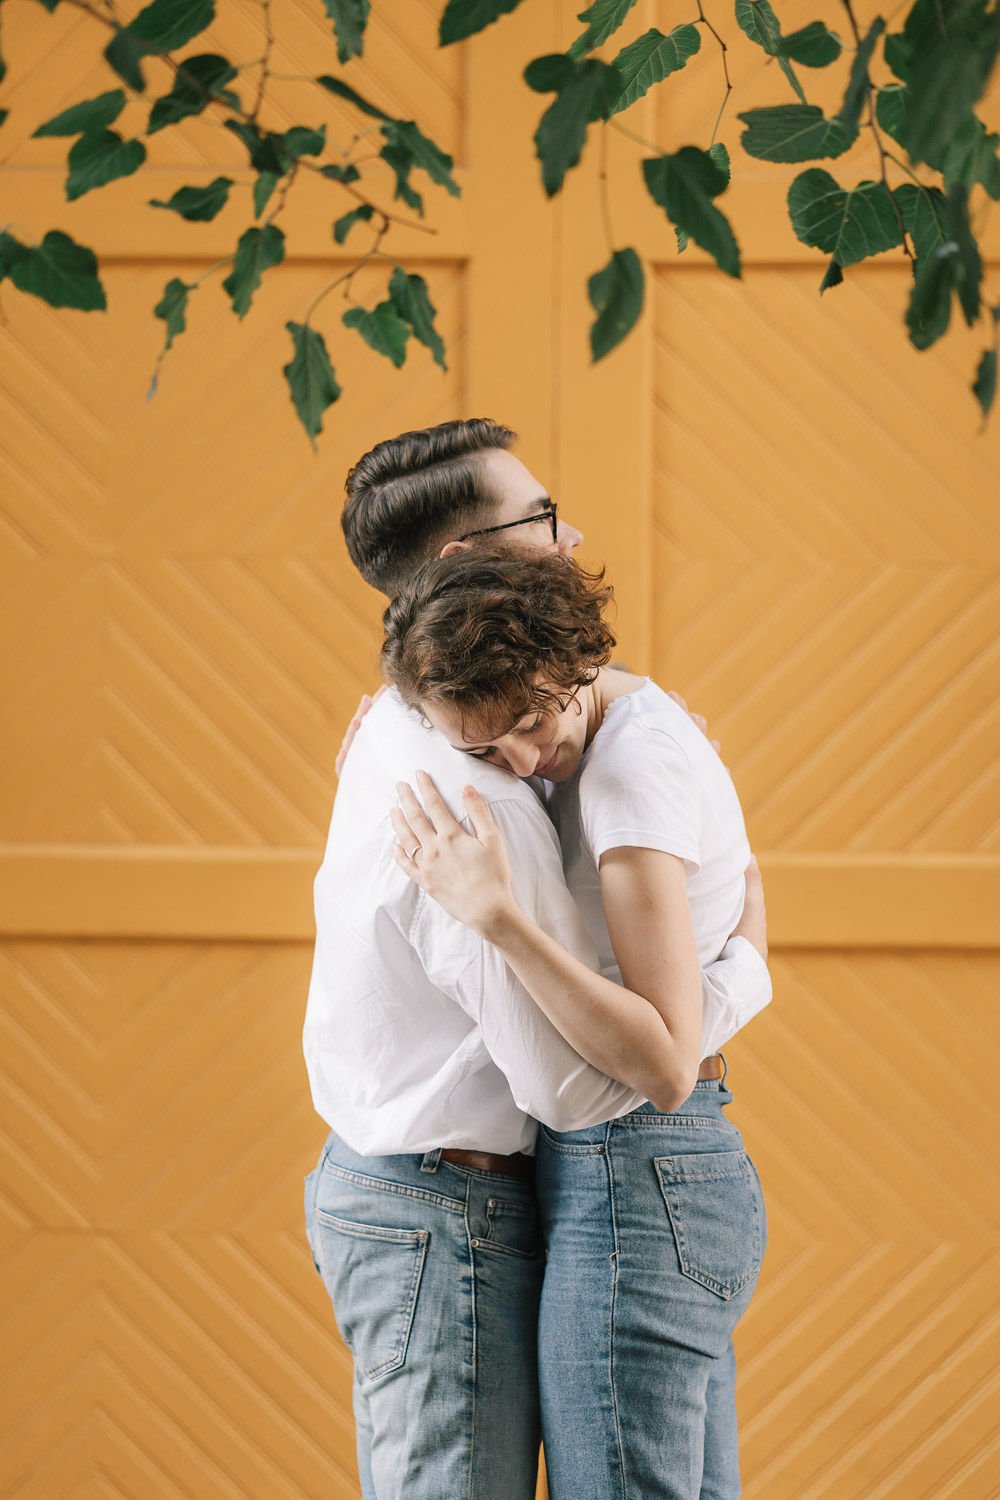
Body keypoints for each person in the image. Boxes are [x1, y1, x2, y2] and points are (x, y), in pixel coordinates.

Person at [301, 418, 772, 1499]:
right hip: (456, 1200)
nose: (571, 537)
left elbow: (618, 741)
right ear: (465, 563)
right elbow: (586, 1091)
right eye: (541, 518)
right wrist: (746, 968)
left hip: (476, 1187)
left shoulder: (434, 718)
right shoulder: (481, 799)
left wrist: (650, 744)